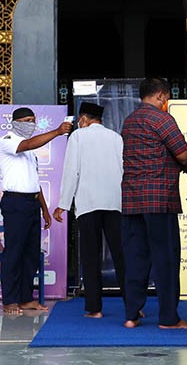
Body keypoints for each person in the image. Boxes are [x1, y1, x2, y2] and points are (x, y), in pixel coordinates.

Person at [120, 77, 187, 329]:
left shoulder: (129, 121)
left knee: (135, 257)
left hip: (132, 199)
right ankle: (168, 318)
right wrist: (185, 165)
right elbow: (182, 152)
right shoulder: (162, 119)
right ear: (162, 96)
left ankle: (131, 315)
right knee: (166, 258)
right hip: (158, 199)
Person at [53, 102, 126, 318]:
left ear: (84, 118)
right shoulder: (116, 137)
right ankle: (134, 306)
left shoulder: (78, 137)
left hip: (88, 204)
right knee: (122, 256)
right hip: (115, 203)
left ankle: (94, 309)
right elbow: (124, 169)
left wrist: (63, 204)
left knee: (90, 256)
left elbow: (71, 171)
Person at [0, 107, 71, 314]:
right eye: (27, 120)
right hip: (15, 203)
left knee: (30, 253)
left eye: (33, 120)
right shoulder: (8, 140)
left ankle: (25, 298)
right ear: (16, 123)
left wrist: (45, 210)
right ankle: (9, 300)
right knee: (14, 252)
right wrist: (57, 132)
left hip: (31, 204)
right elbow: (27, 143)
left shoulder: (31, 153)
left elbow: (35, 183)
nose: (31, 124)